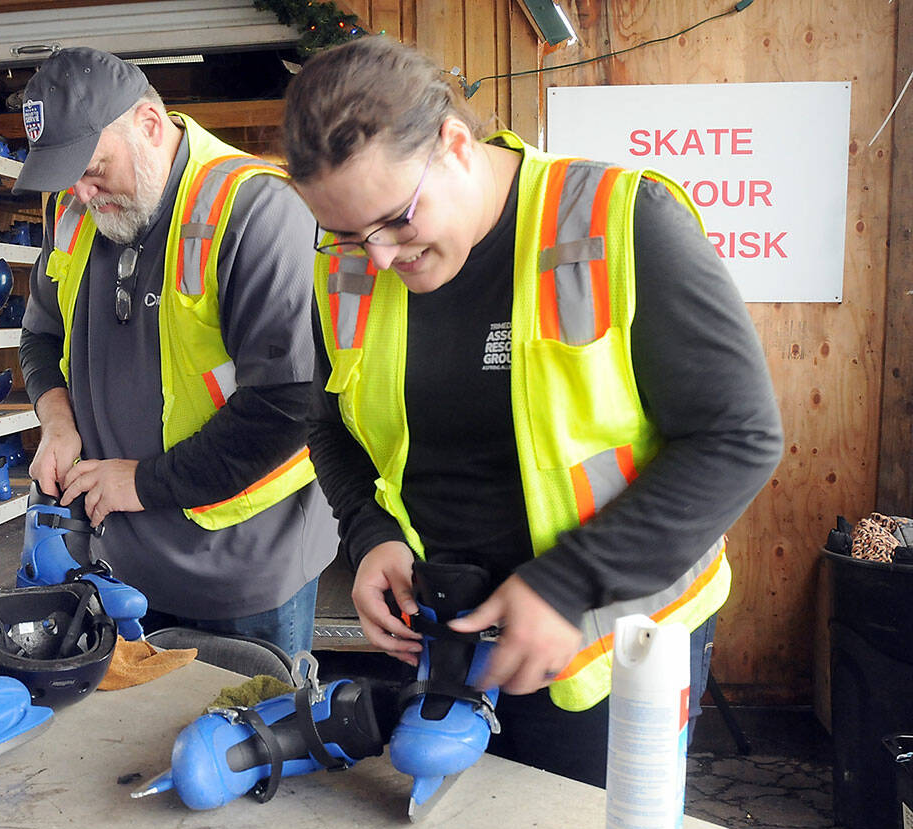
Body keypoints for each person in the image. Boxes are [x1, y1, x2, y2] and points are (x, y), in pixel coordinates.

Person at [281, 36, 783, 785]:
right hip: (446, 636)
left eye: (396, 221)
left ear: (454, 142)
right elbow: (328, 423)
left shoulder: (622, 222)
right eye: (349, 234)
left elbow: (740, 438)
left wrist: (568, 583)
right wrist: (370, 533)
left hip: (616, 642)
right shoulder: (349, 268)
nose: (377, 258)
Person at [13, 47, 337, 658]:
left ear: (150, 125)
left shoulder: (257, 212)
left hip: (242, 569)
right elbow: (40, 335)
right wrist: (56, 423)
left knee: (249, 735)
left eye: (95, 167)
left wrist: (145, 481)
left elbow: (290, 406)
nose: (83, 192)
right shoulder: (73, 209)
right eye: (69, 176)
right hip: (121, 565)